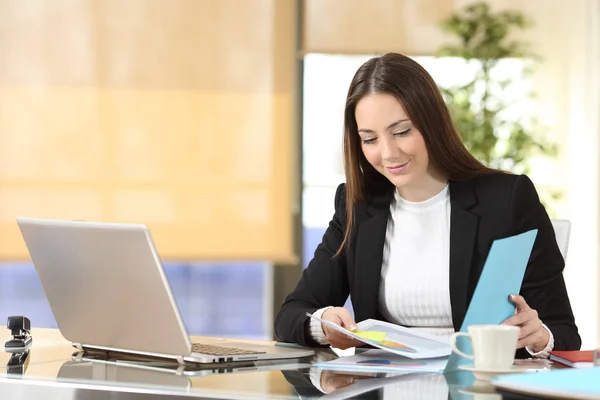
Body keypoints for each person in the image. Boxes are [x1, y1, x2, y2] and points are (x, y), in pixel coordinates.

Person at [274, 53, 581, 359]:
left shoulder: (507, 200)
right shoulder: (357, 205)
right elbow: (292, 314)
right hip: (383, 385)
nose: (388, 153)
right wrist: (324, 323)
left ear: (432, 122)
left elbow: (564, 332)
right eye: (369, 139)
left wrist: (539, 337)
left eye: (402, 132)